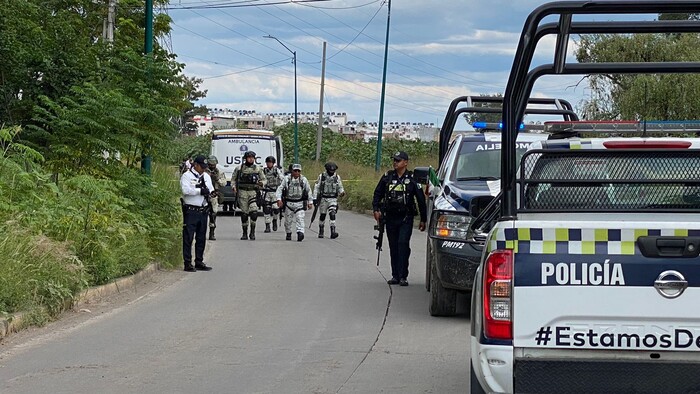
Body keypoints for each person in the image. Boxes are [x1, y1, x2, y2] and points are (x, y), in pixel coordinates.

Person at [371, 151, 427, 286]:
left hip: (405, 218)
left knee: (403, 244)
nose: (395, 162)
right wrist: (376, 209)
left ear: (405, 163)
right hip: (390, 217)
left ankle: (403, 276)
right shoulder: (387, 177)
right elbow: (377, 194)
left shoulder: (412, 179)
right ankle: (395, 275)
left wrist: (423, 219)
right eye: (394, 160)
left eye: (398, 160)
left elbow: (420, 200)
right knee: (393, 246)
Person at [180, 155, 214, 272]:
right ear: (196, 165)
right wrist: (199, 191)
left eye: (205, 167)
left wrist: (212, 193)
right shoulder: (187, 176)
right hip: (191, 210)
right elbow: (185, 190)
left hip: (203, 210)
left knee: (201, 237)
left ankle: (199, 261)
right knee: (188, 237)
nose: (203, 169)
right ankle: (187, 262)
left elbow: (210, 189)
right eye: (202, 167)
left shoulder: (206, 177)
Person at [232, 151, 266, 240]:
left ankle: (252, 232)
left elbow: (264, 179)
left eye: (252, 157)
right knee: (244, 213)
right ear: (245, 158)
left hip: (253, 192)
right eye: (249, 157)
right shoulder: (239, 168)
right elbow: (233, 179)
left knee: (254, 212)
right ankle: (244, 233)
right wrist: (233, 187)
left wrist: (261, 183)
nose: (251, 159)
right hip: (243, 192)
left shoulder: (258, 169)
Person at [276, 163, 313, 241]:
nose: (297, 173)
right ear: (291, 171)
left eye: (298, 171)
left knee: (300, 218)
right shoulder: (286, 179)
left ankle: (300, 233)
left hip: (299, 203)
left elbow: (308, 190)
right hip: (289, 203)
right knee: (288, 221)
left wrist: (310, 202)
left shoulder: (303, 180)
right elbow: (279, 189)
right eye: (295, 171)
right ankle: (288, 233)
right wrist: (279, 199)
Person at [312, 162, 345, 239]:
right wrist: (314, 198)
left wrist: (342, 192)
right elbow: (316, 187)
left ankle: (333, 231)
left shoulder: (337, 177)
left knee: (332, 213)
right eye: (330, 171)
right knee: (323, 215)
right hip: (323, 198)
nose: (332, 172)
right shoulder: (322, 176)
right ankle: (321, 229)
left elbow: (340, 186)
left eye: (333, 171)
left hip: (333, 198)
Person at [262, 156, 284, 233]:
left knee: (276, 209)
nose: (269, 164)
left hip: (275, 191)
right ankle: (267, 225)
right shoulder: (264, 171)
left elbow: (282, 178)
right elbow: (260, 179)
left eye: (270, 162)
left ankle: (275, 220)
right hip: (266, 192)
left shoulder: (276, 170)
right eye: (268, 162)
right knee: (266, 209)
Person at [206, 155, 226, 240]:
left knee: (213, 214)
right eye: (210, 164)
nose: (212, 166)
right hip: (204, 195)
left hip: (214, 195)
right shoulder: (204, 171)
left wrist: (217, 179)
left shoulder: (219, 172)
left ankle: (212, 233)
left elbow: (223, 183)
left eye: (213, 164)